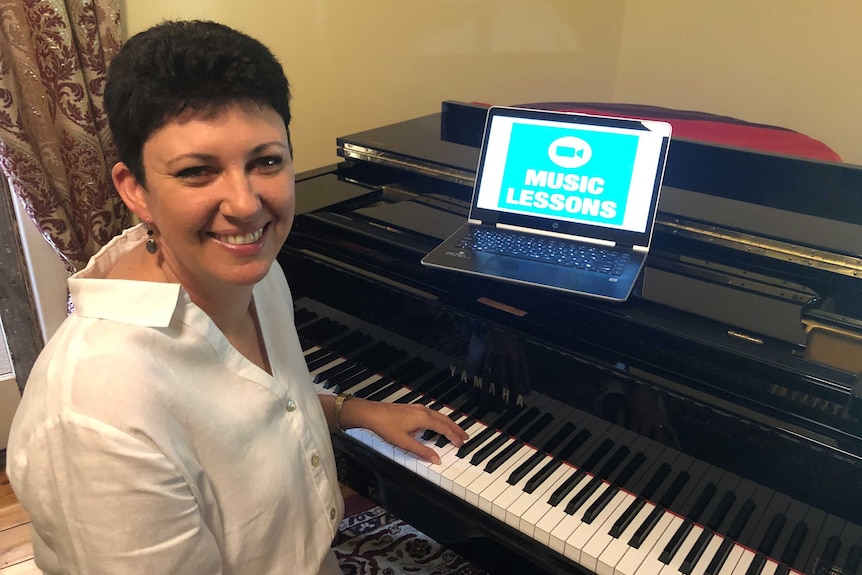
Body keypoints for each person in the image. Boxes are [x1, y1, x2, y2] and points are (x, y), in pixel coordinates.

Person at [7, 20, 468, 575]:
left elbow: (252, 410)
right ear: (135, 190)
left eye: (266, 161)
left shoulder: (255, 273)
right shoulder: (96, 414)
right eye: (198, 171)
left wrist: (349, 410)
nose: (246, 204)